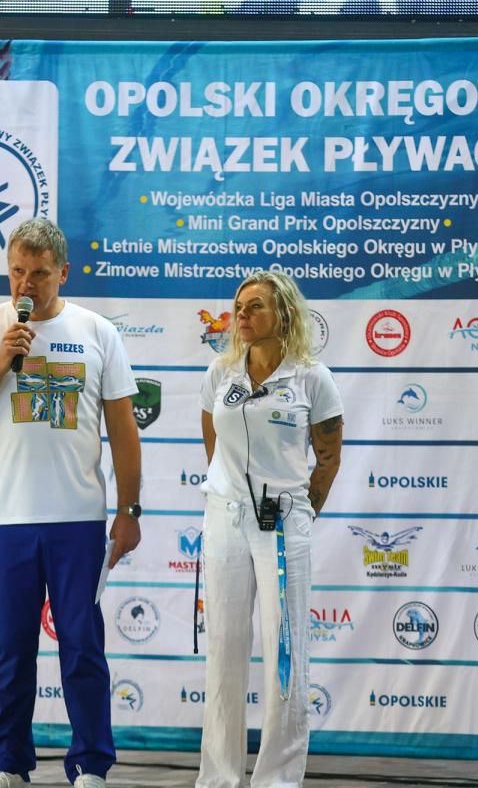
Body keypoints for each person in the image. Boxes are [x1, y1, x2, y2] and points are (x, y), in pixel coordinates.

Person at [0, 218, 142, 788]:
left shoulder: (98, 331)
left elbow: (124, 430)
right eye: (16, 272)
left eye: (39, 274)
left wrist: (129, 511)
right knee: (10, 649)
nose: (25, 285)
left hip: (77, 519)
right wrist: (0, 363)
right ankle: (8, 763)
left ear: (63, 273)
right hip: (6, 519)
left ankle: (91, 766)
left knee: (82, 646)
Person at [195, 271, 343, 788]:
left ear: (284, 314)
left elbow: (328, 459)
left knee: (285, 651)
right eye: (239, 306)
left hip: (283, 523)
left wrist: (299, 514)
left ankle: (277, 780)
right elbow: (213, 442)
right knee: (224, 650)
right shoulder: (220, 372)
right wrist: (230, 494)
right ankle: (219, 778)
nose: (242, 314)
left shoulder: (312, 378)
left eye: (255, 306)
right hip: (226, 518)